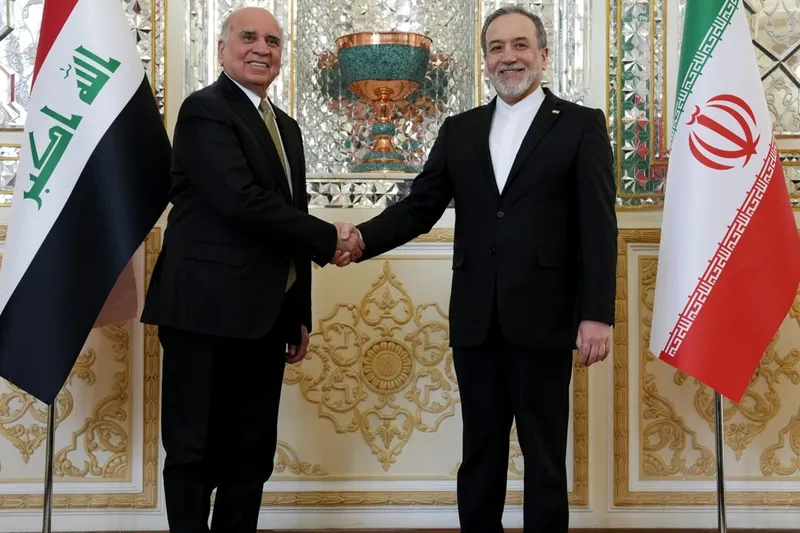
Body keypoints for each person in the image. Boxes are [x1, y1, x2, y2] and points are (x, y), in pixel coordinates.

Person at [339, 6, 617, 532]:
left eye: (520, 45)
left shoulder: (581, 125)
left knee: (544, 458)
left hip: (546, 317)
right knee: (481, 454)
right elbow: (419, 207)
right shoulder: (460, 129)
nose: (508, 57)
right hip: (475, 319)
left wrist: (596, 314)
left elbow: (598, 226)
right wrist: (361, 240)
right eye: (496, 48)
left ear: (543, 55)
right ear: (485, 59)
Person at [140, 7, 362, 533]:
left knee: (251, 455)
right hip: (203, 313)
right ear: (222, 50)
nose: (262, 48)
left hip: (266, 318)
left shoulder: (287, 128)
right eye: (248, 37)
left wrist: (298, 313)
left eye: (273, 41)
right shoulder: (204, 111)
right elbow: (241, 200)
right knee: (194, 452)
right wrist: (330, 238)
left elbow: (289, 215)